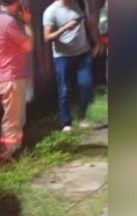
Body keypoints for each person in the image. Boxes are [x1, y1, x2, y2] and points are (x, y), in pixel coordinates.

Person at [43, 0, 103, 132]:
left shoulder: (81, 4)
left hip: (83, 53)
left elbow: (90, 24)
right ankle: (66, 123)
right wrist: (64, 28)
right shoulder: (51, 11)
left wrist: (97, 43)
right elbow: (47, 37)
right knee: (64, 90)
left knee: (86, 84)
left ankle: (82, 117)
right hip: (62, 56)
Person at [0, 0, 34, 164]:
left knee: (17, 117)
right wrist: (27, 24)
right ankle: (6, 155)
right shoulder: (8, 22)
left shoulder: (0, 19)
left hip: (11, 76)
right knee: (13, 118)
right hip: (11, 76)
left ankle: (15, 149)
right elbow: (28, 45)